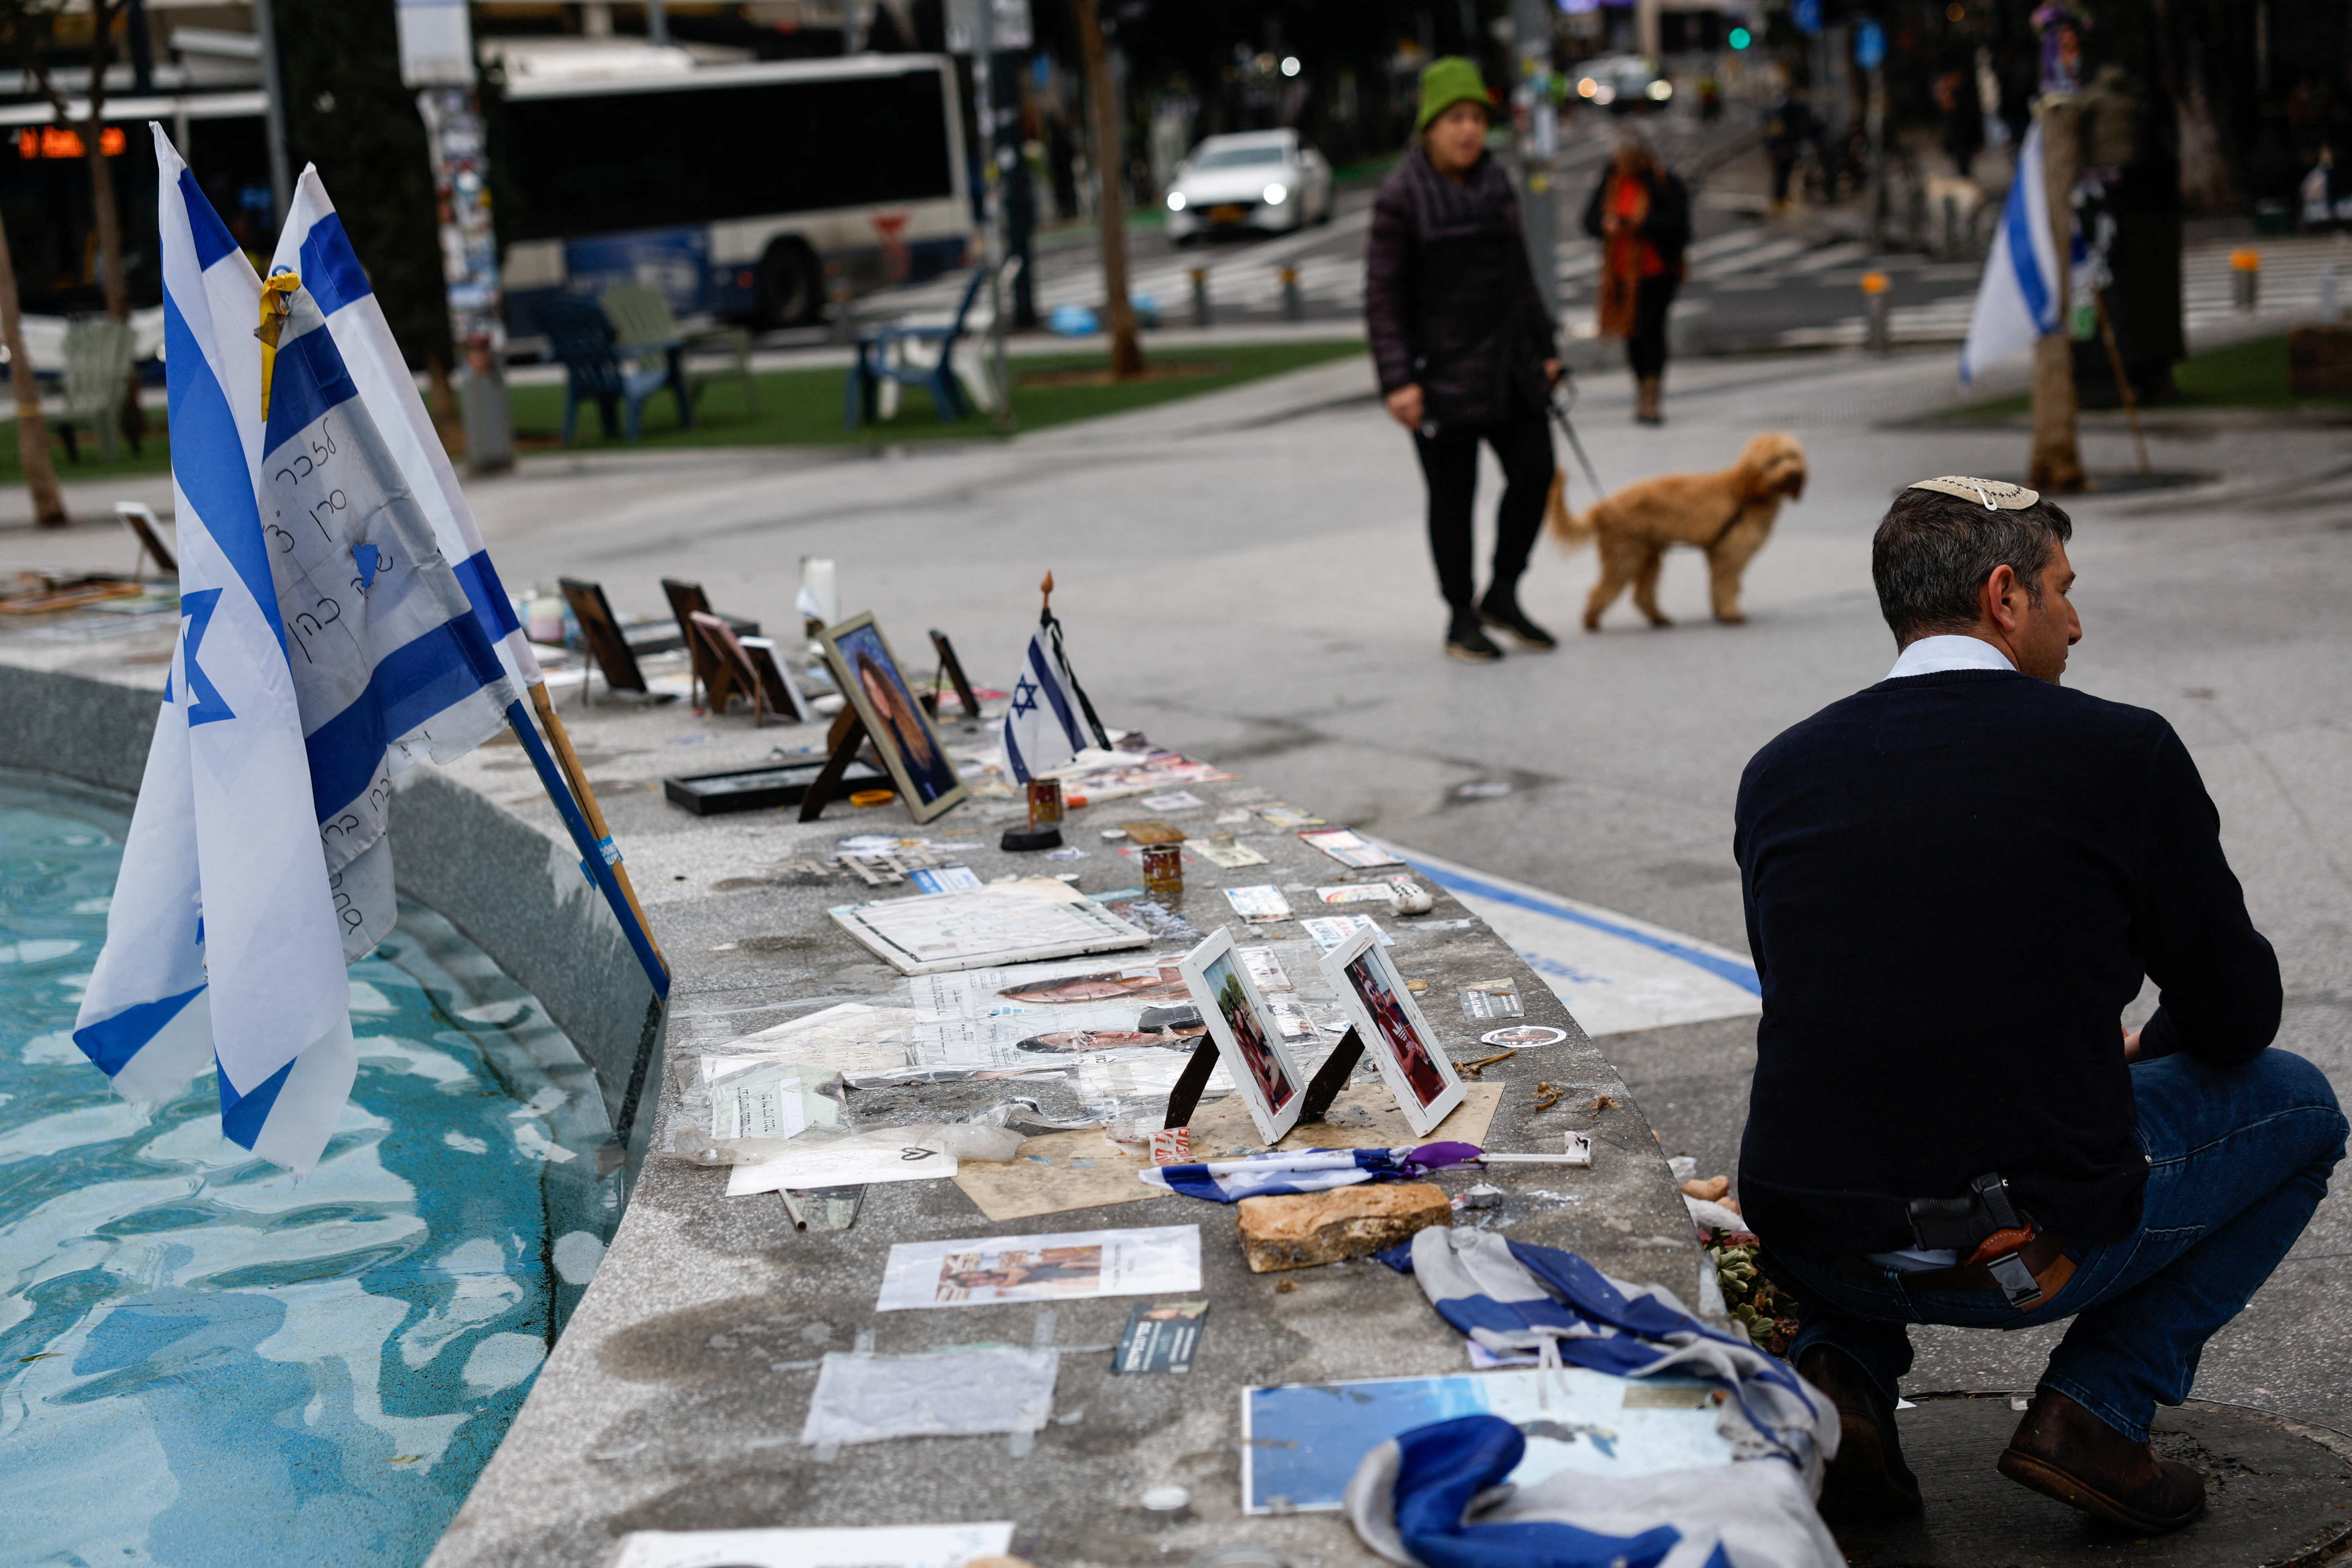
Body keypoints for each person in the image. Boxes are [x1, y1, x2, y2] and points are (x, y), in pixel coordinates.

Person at [1734, 476, 2345, 1533]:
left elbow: (1843, 1000)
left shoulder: (1779, 771)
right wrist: (2130, 1051)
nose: (2078, 620)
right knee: (2297, 1104)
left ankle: (1836, 1376)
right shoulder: (2118, 751)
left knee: (1854, 1109)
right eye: (2062, 589)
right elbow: (2237, 1011)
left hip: (1813, 1229)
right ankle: (2096, 1412)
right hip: (2024, 1247)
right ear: (2003, 594)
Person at [1365, 55, 1563, 665]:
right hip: (1438, 373)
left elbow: (1519, 277)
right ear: (1430, 125)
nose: (1468, 130)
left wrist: (1545, 349)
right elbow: (1383, 296)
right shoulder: (1402, 196)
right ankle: (1459, 617)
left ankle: (1502, 592)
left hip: (1507, 364)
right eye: (1455, 117)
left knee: (1535, 471)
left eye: (1476, 117)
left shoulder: (1496, 183)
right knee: (1454, 496)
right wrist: (1399, 379)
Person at [1583, 129, 1689, 426]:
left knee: (1652, 331)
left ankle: (1652, 396)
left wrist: (1637, 225)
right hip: (1621, 272)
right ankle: (1640, 391)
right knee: (1632, 333)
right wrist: (1606, 225)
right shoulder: (1611, 183)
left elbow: (1678, 224)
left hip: (1656, 271)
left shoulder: (1660, 182)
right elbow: (1589, 220)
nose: (1622, 164)